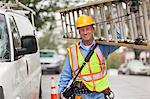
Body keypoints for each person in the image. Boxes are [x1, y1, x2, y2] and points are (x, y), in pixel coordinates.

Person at [58, 15, 120, 99]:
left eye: (88, 29)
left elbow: (119, 38)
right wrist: (61, 92)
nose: (85, 32)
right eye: (82, 30)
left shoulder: (103, 47)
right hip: (81, 95)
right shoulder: (73, 52)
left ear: (93, 29)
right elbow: (65, 75)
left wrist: (112, 22)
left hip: (100, 95)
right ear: (79, 32)